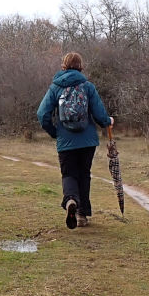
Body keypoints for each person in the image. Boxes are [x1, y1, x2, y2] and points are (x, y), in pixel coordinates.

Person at [36, 52, 113, 229]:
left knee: (69, 174)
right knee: (84, 174)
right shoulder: (87, 86)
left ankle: (70, 199)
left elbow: (42, 114)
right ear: (80, 66)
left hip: (65, 142)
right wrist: (108, 121)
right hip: (87, 142)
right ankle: (81, 215)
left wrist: (55, 132)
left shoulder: (56, 87)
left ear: (63, 65)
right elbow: (99, 114)